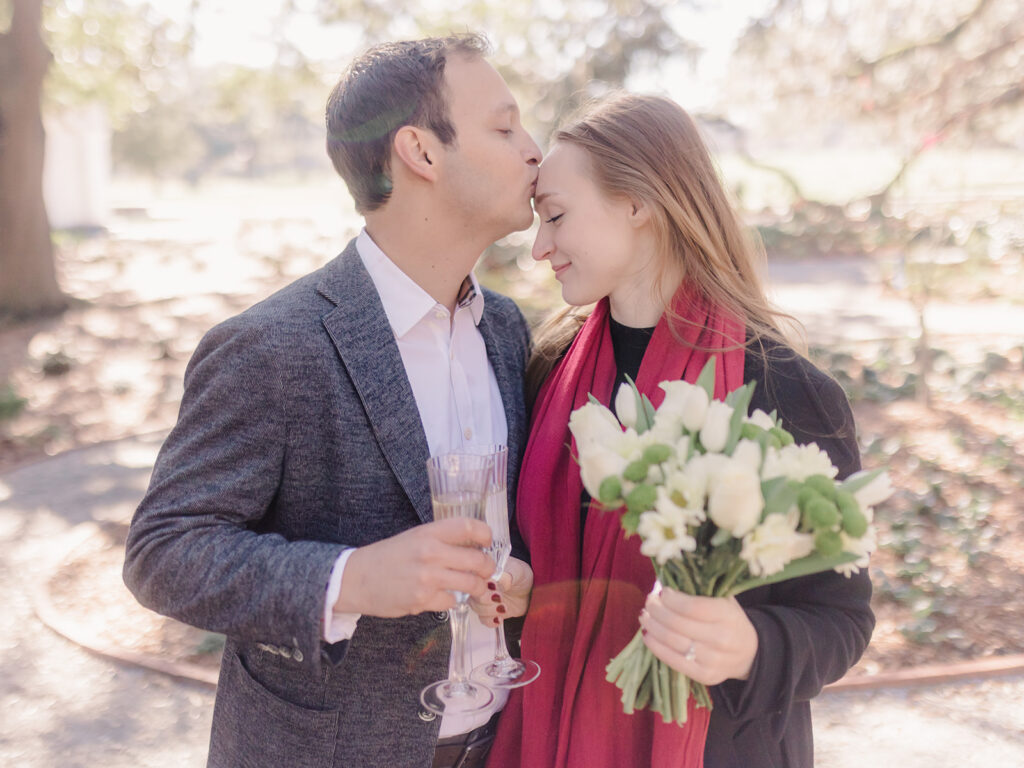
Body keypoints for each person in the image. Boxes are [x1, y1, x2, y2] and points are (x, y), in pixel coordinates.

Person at [123, 33, 542, 768]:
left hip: (498, 745)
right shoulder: (272, 347)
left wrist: (518, 577)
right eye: (505, 128)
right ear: (422, 152)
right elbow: (164, 552)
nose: (533, 149)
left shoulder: (504, 328)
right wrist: (352, 579)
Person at [487, 93, 874, 768]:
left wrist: (749, 643)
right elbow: (549, 570)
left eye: (554, 216)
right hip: (550, 735)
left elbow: (842, 618)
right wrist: (523, 594)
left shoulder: (788, 391)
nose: (540, 247)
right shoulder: (546, 372)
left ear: (637, 203)